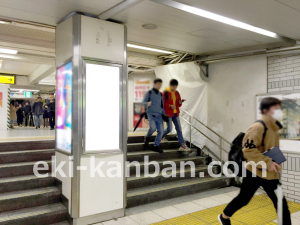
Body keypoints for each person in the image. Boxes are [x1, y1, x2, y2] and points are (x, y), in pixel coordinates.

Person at [218, 97, 291, 225]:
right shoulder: (258, 127)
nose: (279, 111)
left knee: (281, 203)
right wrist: (267, 162)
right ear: (265, 110)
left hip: (270, 173)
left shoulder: (273, 127)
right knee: (243, 199)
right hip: (254, 172)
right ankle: (224, 217)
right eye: (276, 109)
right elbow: (248, 150)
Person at [161, 79, 191, 152]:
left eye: (175, 86)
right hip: (168, 114)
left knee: (179, 129)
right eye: (173, 86)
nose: (174, 88)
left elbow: (178, 104)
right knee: (169, 129)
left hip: (176, 113)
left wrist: (180, 102)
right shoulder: (165, 93)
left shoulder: (177, 93)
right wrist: (169, 106)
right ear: (170, 85)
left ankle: (182, 145)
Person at [143, 78, 165, 153]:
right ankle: (147, 137)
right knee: (153, 128)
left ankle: (156, 145)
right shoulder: (149, 93)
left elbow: (162, 105)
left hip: (159, 115)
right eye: (158, 84)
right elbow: (143, 102)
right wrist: (147, 103)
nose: (159, 86)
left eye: (160, 85)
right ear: (154, 84)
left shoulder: (160, 94)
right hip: (151, 114)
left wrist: (164, 115)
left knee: (161, 131)